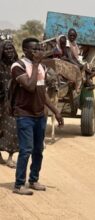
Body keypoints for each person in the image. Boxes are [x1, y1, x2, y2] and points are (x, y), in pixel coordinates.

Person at [10, 37, 64, 195]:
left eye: (41, 49)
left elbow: (42, 92)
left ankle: (33, 180)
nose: (40, 52)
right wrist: (34, 64)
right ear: (26, 50)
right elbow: (30, 87)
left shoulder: (42, 67)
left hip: (40, 114)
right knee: (26, 149)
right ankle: (19, 184)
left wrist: (55, 111)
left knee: (38, 150)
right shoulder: (18, 66)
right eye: (36, 50)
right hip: (24, 114)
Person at [0, 40, 19, 168]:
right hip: (0, 100)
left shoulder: (17, 65)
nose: (9, 52)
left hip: (14, 101)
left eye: (11, 49)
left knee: (13, 129)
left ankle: (11, 157)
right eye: (6, 49)